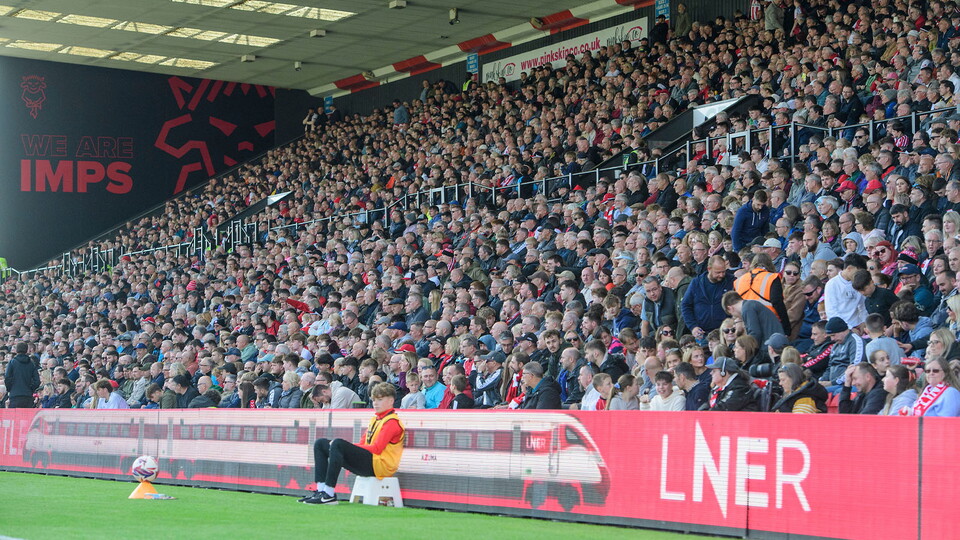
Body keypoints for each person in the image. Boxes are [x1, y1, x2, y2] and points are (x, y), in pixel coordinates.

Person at [301, 383, 405, 505]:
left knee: (338, 444)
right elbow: (362, 443)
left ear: (391, 400)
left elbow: (377, 449)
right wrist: (346, 448)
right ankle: (321, 490)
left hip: (381, 466)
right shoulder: (376, 419)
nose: (375, 403)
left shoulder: (392, 422)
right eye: (374, 400)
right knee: (320, 444)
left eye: (380, 400)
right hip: (372, 461)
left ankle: (329, 494)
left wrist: (346, 447)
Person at [5, 342, 39, 408]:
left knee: (15, 417)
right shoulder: (31, 364)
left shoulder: (12, 362)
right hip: (27, 395)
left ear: (17, 350)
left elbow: (7, 378)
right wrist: (30, 389)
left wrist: (10, 389)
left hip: (15, 395)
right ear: (26, 350)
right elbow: (37, 380)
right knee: (27, 417)